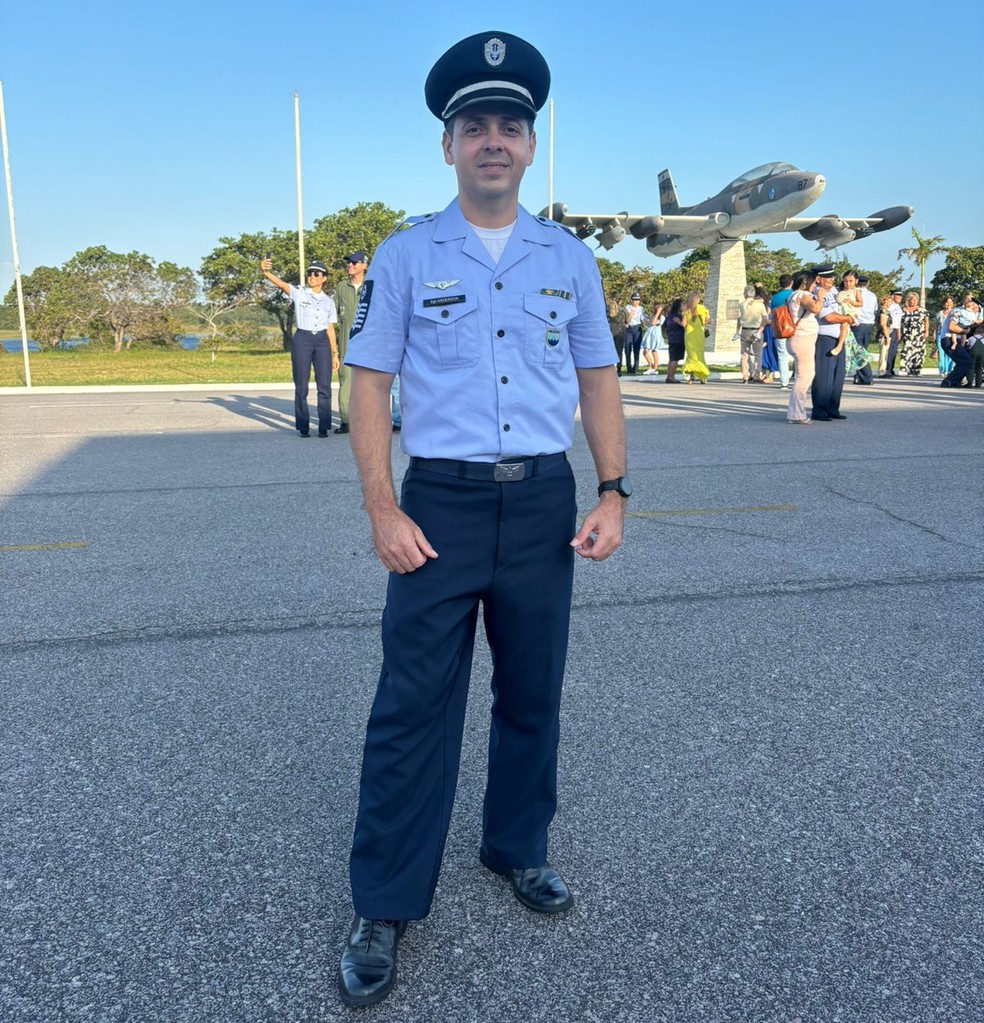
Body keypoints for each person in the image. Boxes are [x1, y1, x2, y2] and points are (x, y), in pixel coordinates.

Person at [336, 31, 628, 1009]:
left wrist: (613, 490)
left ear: (531, 147)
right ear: (449, 146)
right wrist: (383, 506)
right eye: (475, 126)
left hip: (544, 500)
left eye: (510, 125)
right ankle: (384, 901)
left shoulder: (568, 257)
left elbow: (597, 376)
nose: (493, 140)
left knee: (533, 692)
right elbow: (368, 381)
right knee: (412, 707)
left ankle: (517, 848)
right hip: (442, 505)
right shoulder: (409, 253)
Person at [260, 256, 339, 437]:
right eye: (309, 273)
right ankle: (303, 425)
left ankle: (324, 425)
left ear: (324, 278)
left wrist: (335, 354)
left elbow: (331, 329)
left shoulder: (329, 301)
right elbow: (281, 284)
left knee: (324, 386)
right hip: (302, 339)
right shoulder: (300, 293)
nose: (312, 276)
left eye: (316, 273)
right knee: (301, 385)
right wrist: (266, 272)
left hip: (322, 342)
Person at [331, 251, 368, 434]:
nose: (350, 266)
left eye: (354, 263)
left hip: (368, 346)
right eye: (348, 263)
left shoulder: (373, 286)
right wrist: (333, 352)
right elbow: (332, 316)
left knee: (368, 386)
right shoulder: (341, 287)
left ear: (364, 265)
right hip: (346, 344)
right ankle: (346, 421)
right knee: (346, 383)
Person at [810, 264, 853, 421]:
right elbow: (827, 317)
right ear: (818, 279)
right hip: (824, 338)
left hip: (838, 337)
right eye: (828, 278)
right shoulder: (817, 293)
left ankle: (832, 407)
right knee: (824, 376)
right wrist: (847, 318)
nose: (831, 280)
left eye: (833, 278)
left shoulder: (833, 291)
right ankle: (819, 409)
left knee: (837, 375)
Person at [784, 268, 826, 423]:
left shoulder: (791, 295)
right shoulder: (802, 295)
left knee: (803, 376)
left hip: (796, 339)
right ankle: (796, 415)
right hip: (803, 339)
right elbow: (816, 308)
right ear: (806, 282)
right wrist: (820, 298)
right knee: (804, 377)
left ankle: (795, 413)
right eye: (814, 282)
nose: (815, 285)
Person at [736, 284, 769, 383]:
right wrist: (760, 330)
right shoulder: (760, 305)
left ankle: (745, 375)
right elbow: (765, 319)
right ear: (754, 293)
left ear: (745, 294)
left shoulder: (741, 305)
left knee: (744, 354)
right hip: (756, 330)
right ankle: (756, 375)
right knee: (758, 354)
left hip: (745, 330)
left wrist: (737, 331)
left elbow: (739, 318)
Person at [829, 272, 862, 358]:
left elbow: (860, 303)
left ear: (856, 281)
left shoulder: (856, 291)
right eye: (846, 281)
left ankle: (839, 346)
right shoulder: (841, 291)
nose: (848, 283)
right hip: (842, 311)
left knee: (844, 325)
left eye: (851, 281)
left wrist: (852, 302)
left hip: (851, 312)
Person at [770, 274, 794, 389]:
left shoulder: (775, 298)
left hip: (781, 329)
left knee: (782, 355)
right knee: (798, 355)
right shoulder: (794, 294)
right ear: (791, 282)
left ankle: (784, 382)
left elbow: (772, 313)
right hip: (795, 328)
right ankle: (799, 379)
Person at [898, 291, 930, 375]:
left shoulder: (922, 310)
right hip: (907, 334)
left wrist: (926, 332)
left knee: (919, 352)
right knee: (906, 351)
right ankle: (905, 369)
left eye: (915, 300)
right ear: (908, 300)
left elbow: (926, 321)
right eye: (911, 299)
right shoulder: (902, 310)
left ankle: (916, 369)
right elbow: (899, 322)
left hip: (919, 335)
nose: (913, 301)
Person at [681, 290, 710, 383]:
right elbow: (707, 321)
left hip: (689, 335)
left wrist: (678, 321)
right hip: (699, 334)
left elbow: (684, 324)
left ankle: (691, 377)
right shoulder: (702, 308)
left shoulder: (686, 309)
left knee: (691, 356)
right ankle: (703, 377)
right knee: (699, 355)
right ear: (697, 299)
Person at [880, 288, 903, 377]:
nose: (900, 297)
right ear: (893, 296)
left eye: (901, 296)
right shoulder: (888, 305)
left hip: (895, 330)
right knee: (887, 352)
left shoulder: (898, 307)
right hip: (889, 330)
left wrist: (899, 333)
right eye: (898, 295)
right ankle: (886, 371)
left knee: (893, 351)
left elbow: (898, 321)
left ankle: (891, 369)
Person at [622, 293, 647, 374]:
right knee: (627, 348)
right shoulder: (627, 307)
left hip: (637, 328)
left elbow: (643, 319)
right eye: (635, 300)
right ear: (631, 300)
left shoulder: (641, 308)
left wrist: (646, 323)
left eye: (638, 300)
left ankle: (635, 368)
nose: (636, 302)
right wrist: (629, 315)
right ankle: (628, 368)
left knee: (637, 348)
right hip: (629, 328)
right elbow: (625, 320)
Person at [663, 296, 686, 383]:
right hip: (677, 339)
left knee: (672, 358)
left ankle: (669, 376)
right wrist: (679, 322)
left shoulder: (670, 315)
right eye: (682, 305)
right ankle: (671, 377)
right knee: (675, 359)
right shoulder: (677, 316)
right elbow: (683, 325)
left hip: (672, 339)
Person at [641, 302, 664, 374]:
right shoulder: (653, 315)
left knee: (654, 352)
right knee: (645, 352)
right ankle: (650, 367)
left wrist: (658, 313)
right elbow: (649, 324)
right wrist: (644, 322)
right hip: (649, 335)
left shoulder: (662, 317)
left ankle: (655, 368)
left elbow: (654, 323)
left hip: (655, 336)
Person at [936, 296, 955, 376]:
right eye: (947, 302)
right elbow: (935, 326)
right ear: (944, 303)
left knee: (950, 352)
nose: (949, 304)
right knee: (941, 353)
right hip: (940, 334)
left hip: (951, 334)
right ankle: (942, 370)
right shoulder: (939, 313)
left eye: (950, 302)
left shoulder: (955, 312)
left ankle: (950, 369)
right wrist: (934, 336)